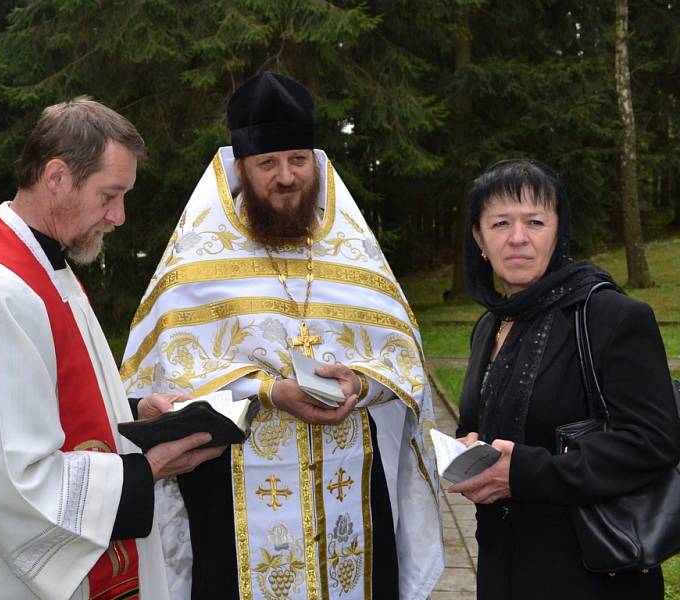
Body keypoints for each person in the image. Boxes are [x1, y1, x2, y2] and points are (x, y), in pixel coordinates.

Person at [121, 71, 444, 599]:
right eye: (267, 164)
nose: (287, 177)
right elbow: (162, 382)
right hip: (232, 500)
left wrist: (362, 385)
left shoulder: (352, 250)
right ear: (240, 167)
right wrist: (269, 389)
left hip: (350, 497)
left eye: (298, 160)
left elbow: (404, 363)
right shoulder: (196, 263)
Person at [0, 98, 225, 600]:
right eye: (110, 194)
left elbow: (47, 407)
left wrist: (135, 414)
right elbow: (10, 484)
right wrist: (147, 471)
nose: (119, 216)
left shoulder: (49, 272)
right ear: (57, 176)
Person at [452, 158, 680, 599]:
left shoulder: (611, 316)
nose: (518, 238)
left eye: (535, 221)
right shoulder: (490, 326)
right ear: (479, 239)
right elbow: (489, 423)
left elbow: (654, 443)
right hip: (503, 568)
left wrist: (523, 473)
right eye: (500, 223)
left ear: (558, 232)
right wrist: (469, 449)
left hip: (592, 574)